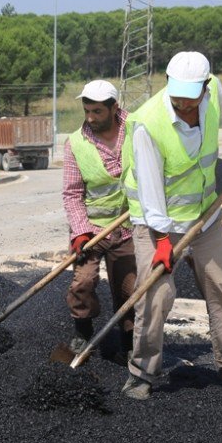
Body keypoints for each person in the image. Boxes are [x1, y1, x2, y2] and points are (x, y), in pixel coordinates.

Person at [120, 51, 222, 400]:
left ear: (205, 86)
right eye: (176, 95)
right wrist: (162, 240)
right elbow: (151, 191)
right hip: (159, 223)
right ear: (167, 83)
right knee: (156, 296)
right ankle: (142, 372)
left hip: (205, 215)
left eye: (190, 97)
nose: (183, 104)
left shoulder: (212, 96)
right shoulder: (147, 123)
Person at [62, 80, 137, 362]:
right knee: (82, 282)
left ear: (114, 108)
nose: (90, 117)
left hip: (128, 228)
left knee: (130, 288)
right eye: (86, 111)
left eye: (97, 111)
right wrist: (80, 232)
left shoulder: (136, 129)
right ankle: (83, 332)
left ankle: (129, 341)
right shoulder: (76, 143)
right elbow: (71, 194)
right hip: (92, 229)